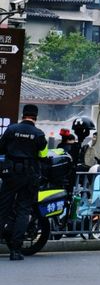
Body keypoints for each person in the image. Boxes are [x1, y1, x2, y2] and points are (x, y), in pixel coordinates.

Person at [0, 104, 48, 260]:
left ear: (23, 115)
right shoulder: (39, 134)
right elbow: (43, 155)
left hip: (10, 174)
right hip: (29, 175)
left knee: (3, 208)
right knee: (23, 211)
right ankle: (15, 250)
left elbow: (1, 148)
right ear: (35, 117)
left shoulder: (12, 130)